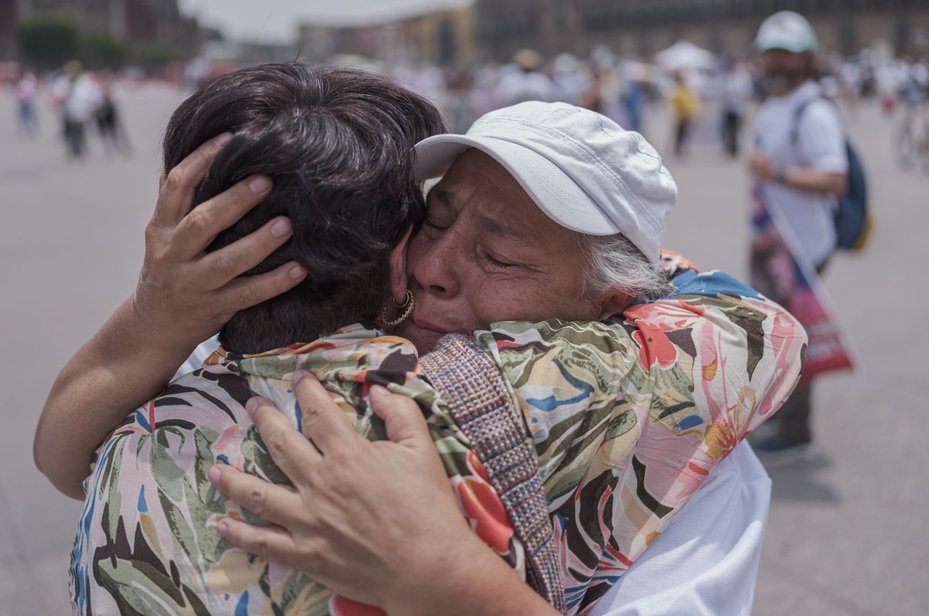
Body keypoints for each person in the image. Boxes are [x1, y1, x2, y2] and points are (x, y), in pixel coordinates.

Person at [38, 70, 803, 614]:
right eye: (432, 222)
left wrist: (442, 580)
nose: (433, 270)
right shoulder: (302, 347)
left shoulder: (683, 452)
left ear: (612, 299)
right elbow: (64, 455)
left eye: (498, 257)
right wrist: (157, 314)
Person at [748, 10, 848, 460]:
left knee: (793, 339)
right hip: (777, 244)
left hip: (804, 248)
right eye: (772, 54)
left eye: (787, 55)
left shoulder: (814, 110)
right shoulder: (774, 105)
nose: (778, 63)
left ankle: (796, 431)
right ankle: (783, 418)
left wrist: (778, 173)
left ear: (807, 59)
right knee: (779, 335)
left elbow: (834, 179)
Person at [51, 60, 103, 159]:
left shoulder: (87, 82)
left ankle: (78, 148)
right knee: (68, 130)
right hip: (66, 110)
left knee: (79, 130)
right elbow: (57, 94)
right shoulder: (63, 81)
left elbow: (95, 95)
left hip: (82, 110)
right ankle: (72, 147)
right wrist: (57, 101)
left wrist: (92, 106)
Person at [668, 72, 699, 158]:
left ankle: (683, 148)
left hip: (687, 115)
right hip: (680, 116)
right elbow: (673, 103)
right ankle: (678, 148)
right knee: (680, 133)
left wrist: (694, 112)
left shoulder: (687, 90)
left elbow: (692, 102)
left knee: (685, 133)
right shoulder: (678, 90)